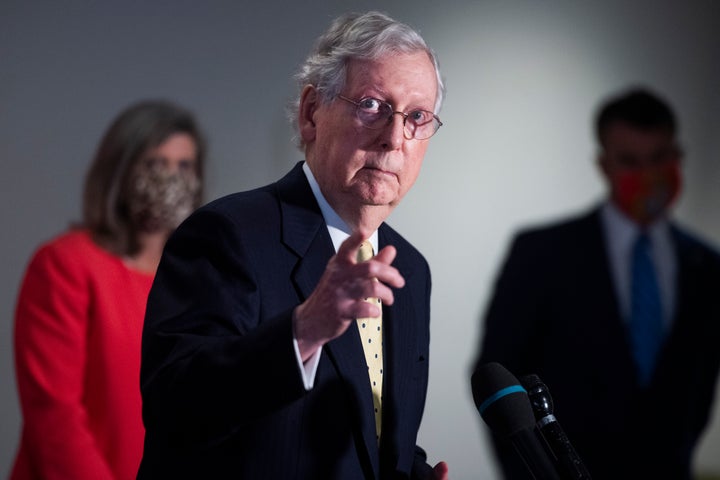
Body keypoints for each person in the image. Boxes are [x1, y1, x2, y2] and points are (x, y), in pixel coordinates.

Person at [138, 10, 449, 480]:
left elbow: (370, 435)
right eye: (371, 105)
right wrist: (303, 330)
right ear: (311, 115)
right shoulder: (227, 234)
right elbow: (175, 407)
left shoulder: (409, 269)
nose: (392, 139)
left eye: (417, 117)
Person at [471, 86, 720, 480]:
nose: (648, 176)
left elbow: (699, 389)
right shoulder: (541, 253)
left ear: (677, 157)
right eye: (630, 162)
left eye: (659, 158)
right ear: (604, 165)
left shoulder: (707, 267)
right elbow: (500, 381)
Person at [11, 100, 207, 480]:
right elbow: (56, 418)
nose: (170, 178)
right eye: (154, 164)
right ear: (120, 169)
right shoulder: (65, 264)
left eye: (184, 166)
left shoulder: (198, 279)